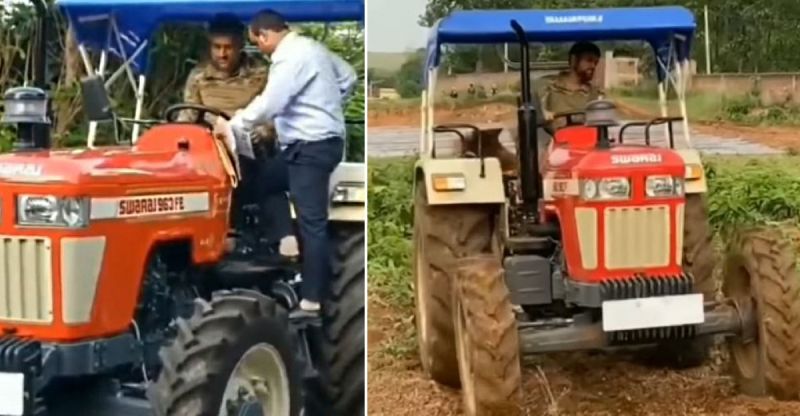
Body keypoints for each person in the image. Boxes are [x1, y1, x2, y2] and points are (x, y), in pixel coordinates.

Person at [214, 10, 357, 320]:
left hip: (311, 147)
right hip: (310, 144)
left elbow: (270, 103)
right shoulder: (315, 49)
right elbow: (348, 77)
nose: (260, 50)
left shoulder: (288, 58)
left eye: (257, 43)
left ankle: (311, 302)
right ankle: (285, 240)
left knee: (312, 221)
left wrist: (234, 125)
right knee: (266, 183)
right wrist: (327, 105)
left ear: (264, 36)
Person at [180, 14, 298, 259]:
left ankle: (282, 237)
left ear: (240, 45)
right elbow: (187, 117)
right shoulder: (199, 77)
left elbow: (278, 115)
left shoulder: (260, 73)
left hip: (254, 148)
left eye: (228, 48)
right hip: (210, 150)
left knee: (261, 173)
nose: (222, 55)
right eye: (217, 47)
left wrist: (260, 133)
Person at [539, 41, 605, 131]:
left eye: (595, 62)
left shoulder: (596, 95)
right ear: (574, 60)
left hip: (586, 141)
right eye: (589, 60)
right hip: (554, 141)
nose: (593, 66)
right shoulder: (547, 87)